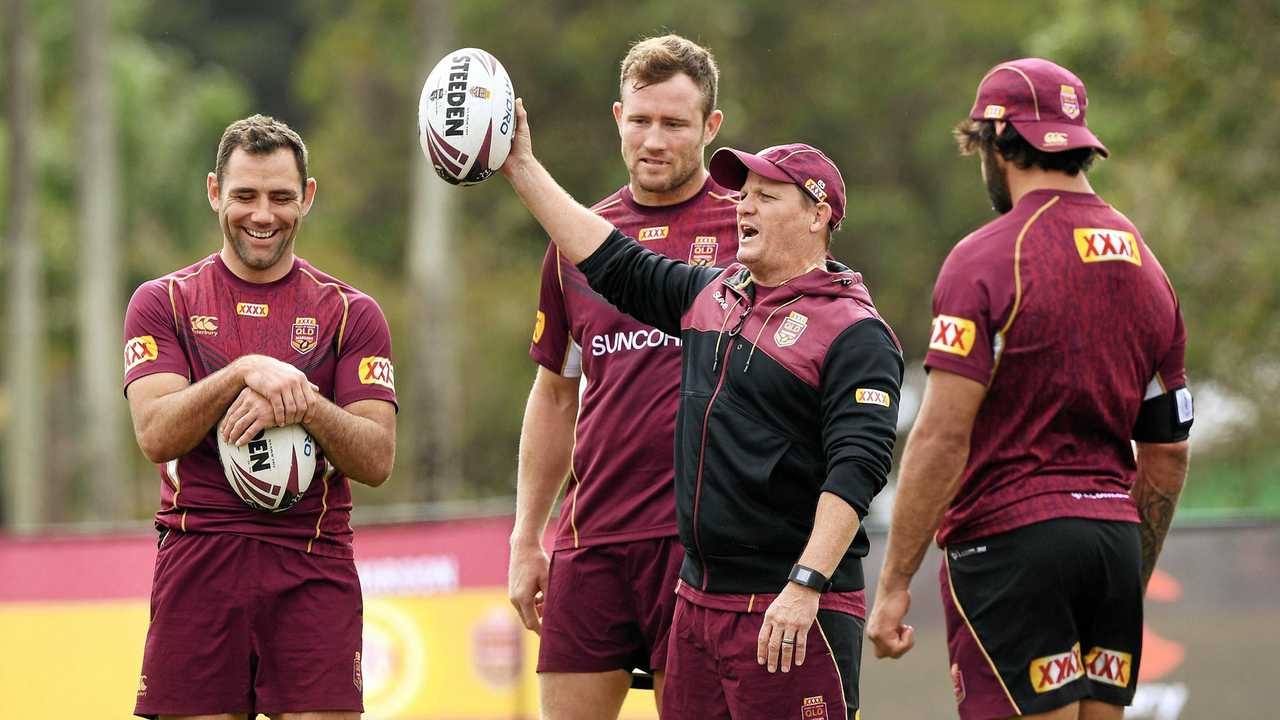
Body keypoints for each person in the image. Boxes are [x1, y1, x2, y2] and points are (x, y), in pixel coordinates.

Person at [500, 96, 903, 719]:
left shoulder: (855, 331)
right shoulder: (713, 297)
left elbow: (858, 470)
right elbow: (612, 261)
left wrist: (806, 585)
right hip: (700, 605)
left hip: (789, 607)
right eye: (743, 194)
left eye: (767, 197)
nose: (743, 206)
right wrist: (520, 164)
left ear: (818, 215)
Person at [865, 58, 1192, 720]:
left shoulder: (986, 257)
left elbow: (941, 434)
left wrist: (895, 583)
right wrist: (1125, 571)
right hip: (1113, 543)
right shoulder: (1146, 265)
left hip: (1011, 542)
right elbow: (1168, 452)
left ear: (996, 143)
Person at [124, 114, 398, 720]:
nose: (262, 215)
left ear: (308, 198)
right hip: (199, 556)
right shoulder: (163, 301)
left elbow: (377, 458)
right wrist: (243, 369)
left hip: (312, 560)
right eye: (245, 195)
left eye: (281, 197)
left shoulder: (353, 313)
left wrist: (302, 399)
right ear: (215, 192)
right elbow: (154, 433)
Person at [506, 34, 739, 718]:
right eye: (641, 121)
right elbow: (554, 392)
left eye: (675, 123)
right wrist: (527, 536)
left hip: (700, 545)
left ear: (711, 127)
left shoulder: (750, 228)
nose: (654, 140)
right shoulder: (577, 238)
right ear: (618, 119)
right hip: (593, 540)